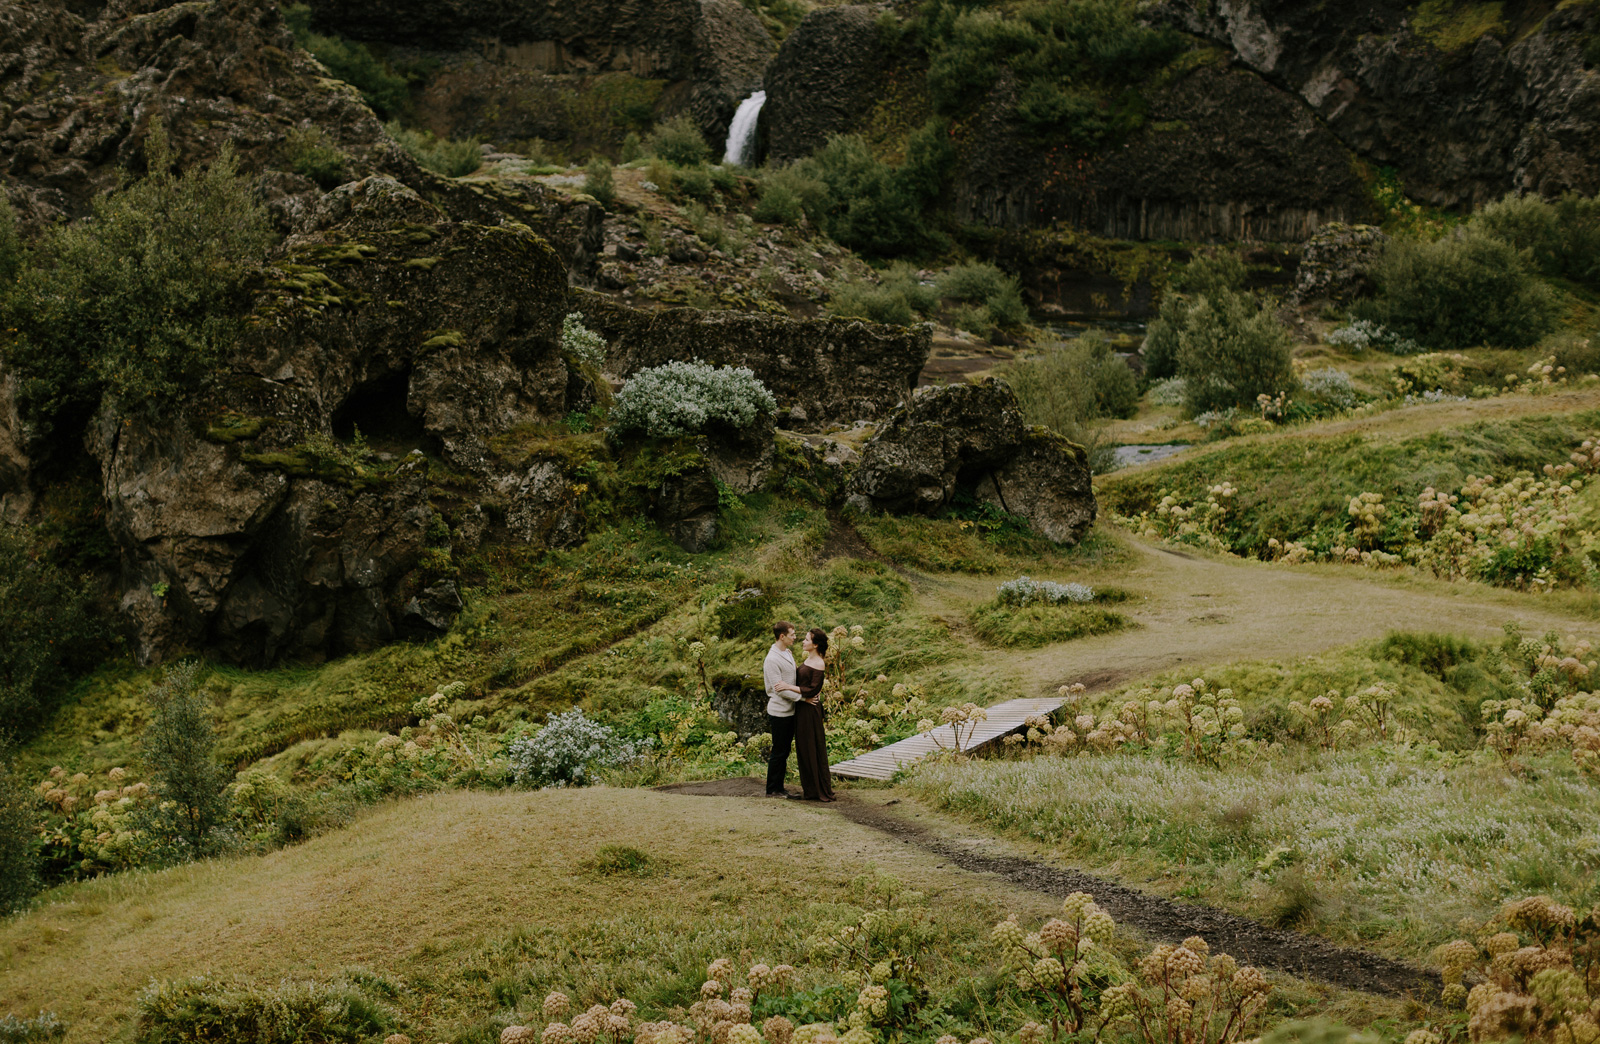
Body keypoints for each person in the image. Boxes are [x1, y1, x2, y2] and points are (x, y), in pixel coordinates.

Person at [793, 627, 835, 802]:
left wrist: (788, 687)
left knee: (812, 746)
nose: (803, 642)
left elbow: (812, 690)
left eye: (807, 639)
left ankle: (817, 789)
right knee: (804, 747)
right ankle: (810, 789)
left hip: (810, 710)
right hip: (802, 708)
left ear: (816, 644)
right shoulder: (809, 658)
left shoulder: (818, 662)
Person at [763, 621, 800, 797]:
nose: (795, 637)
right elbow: (780, 689)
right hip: (779, 712)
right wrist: (803, 697)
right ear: (782, 636)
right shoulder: (772, 659)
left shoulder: (786, 653)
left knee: (784, 751)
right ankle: (772, 789)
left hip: (790, 710)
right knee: (778, 752)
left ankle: (780, 787)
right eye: (792, 634)